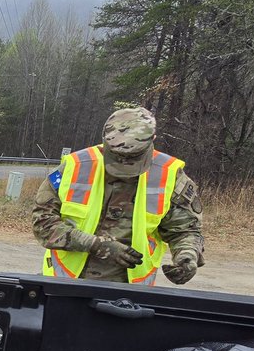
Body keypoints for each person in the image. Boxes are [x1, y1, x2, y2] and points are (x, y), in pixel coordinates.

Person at [30, 106, 204, 285]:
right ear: (105, 141)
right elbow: (43, 223)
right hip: (66, 283)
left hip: (130, 292)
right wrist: (96, 245)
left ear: (153, 140)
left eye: (133, 157)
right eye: (116, 156)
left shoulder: (170, 175)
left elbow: (185, 230)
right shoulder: (75, 166)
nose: (124, 164)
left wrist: (187, 255)